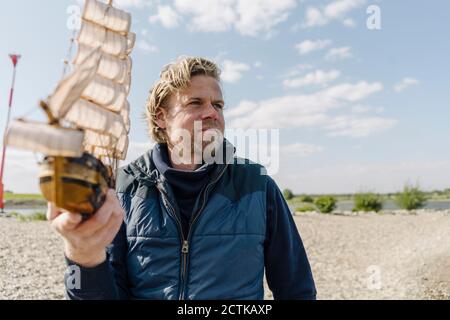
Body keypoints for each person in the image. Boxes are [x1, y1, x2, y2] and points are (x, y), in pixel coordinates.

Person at [47, 56, 317, 300]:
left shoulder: (257, 186)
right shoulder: (122, 188)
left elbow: (297, 288)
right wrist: (82, 255)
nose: (213, 113)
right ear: (161, 117)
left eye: (218, 105)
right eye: (195, 102)